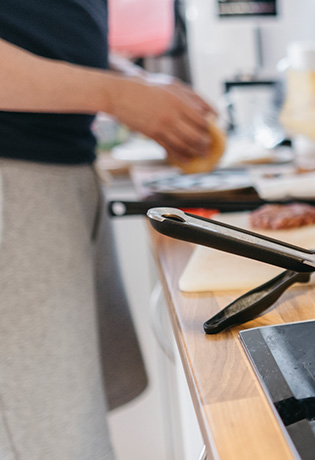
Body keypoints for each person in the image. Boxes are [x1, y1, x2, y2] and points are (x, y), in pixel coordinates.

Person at [0, 1, 216, 458]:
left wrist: (133, 82)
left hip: (59, 173)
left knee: (73, 412)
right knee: (48, 435)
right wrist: (118, 95)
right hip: (14, 182)